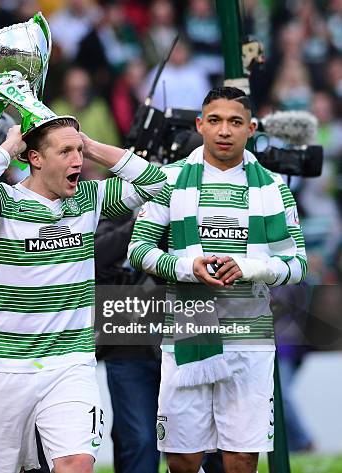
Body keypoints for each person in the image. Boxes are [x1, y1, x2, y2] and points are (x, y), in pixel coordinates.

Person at [0, 117, 167, 472]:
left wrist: (91, 144)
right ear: (35, 158)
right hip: (1, 366)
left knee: (76, 463)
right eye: (65, 151)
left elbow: (155, 183)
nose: (77, 160)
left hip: (69, 362)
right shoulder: (1, 203)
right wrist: (9, 148)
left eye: (79, 151)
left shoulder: (87, 199)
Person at [128, 87, 307, 473]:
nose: (224, 130)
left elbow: (297, 264)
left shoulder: (274, 188)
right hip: (188, 332)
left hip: (250, 339)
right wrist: (185, 266)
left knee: (241, 460)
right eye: (215, 120)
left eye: (235, 122)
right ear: (200, 125)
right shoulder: (169, 179)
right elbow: (137, 250)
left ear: (251, 129)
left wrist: (249, 268)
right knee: (182, 460)